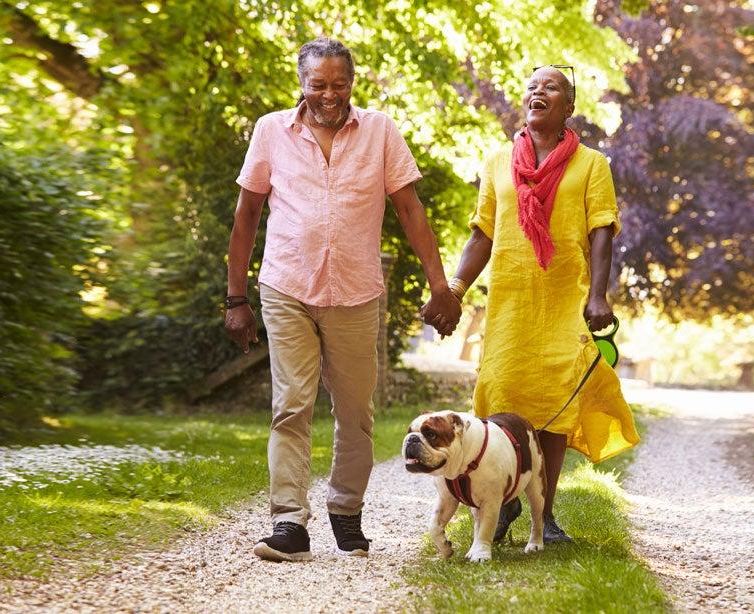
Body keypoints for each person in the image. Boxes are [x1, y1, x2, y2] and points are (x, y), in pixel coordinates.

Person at [224, 37, 461, 562]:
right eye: (318, 85)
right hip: (287, 286)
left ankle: (346, 511)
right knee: (291, 407)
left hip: (355, 292)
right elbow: (246, 218)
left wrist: (439, 285)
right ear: (302, 85)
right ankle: (289, 523)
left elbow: (410, 209)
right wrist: (235, 298)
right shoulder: (271, 131)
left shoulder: (379, 131)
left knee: (355, 412)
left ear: (352, 83)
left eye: (339, 84)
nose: (329, 95)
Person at [436, 65, 639, 543]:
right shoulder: (497, 162)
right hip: (510, 304)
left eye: (551, 87)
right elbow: (483, 234)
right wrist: (456, 288)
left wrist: (598, 296)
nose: (537, 92)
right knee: (501, 398)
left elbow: (602, 231)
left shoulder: (591, 164)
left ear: (569, 106)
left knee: (555, 407)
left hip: (566, 300)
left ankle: (542, 516)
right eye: (532, 87)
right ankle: (501, 503)